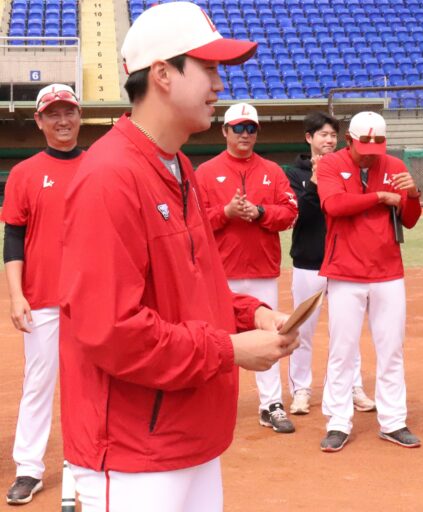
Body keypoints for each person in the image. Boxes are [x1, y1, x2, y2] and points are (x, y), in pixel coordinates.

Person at [57, 3, 298, 511]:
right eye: (208, 68)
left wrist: (250, 314)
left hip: (190, 434)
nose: (219, 84)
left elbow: (195, 287)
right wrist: (229, 350)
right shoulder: (109, 177)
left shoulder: (179, 165)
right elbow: (112, 331)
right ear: (163, 74)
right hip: (132, 452)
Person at [316, 111, 422, 452]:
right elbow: (333, 205)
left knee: (391, 349)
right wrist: (380, 197)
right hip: (345, 271)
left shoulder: (394, 165)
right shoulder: (331, 164)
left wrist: (413, 195)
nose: (370, 154)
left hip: (387, 270)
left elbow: (410, 220)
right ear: (349, 140)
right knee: (342, 350)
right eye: (364, 147)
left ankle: (393, 421)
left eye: (377, 147)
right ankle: (338, 421)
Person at [2, 84, 83, 506]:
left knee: (95, 383)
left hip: (92, 298)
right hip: (43, 298)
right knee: (38, 383)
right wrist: (16, 296)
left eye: (69, 112)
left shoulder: (99, 166)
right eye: (53, 114)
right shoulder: (25, 172)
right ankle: (29, 468)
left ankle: (89, 462)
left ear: (80, 116)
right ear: (39, 121)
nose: (62, 120)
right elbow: (13, 238)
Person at [196, 103, 299, 433]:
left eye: (250, 128)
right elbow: (194, 222)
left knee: (269, 335)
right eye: (238, 128)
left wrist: (260, 212)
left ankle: (271, 403)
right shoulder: (206, 172)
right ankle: (211, 402)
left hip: (261, 269)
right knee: (217, 338)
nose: (244, 134)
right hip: (220, 271)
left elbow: (290, 213)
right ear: (224, 131)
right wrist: (225, 213)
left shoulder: (272, 170)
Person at [283, 111, 375, 416]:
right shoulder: (293, 174)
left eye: (333, 135)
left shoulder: (347, 169)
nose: (329, 140)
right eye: (323, 134)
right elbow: (300, 215)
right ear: (309, 138)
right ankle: (301, 389)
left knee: (347, 330)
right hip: (308, 260)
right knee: (303, 330)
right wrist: (314, 179)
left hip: (343, 260)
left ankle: (353, 386)